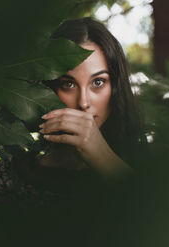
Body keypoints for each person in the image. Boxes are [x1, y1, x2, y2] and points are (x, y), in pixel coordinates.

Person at [40, 17, 147, 182]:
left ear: (116, 87)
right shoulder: (9, 176)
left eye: (98, 82)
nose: (83, 103)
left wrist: (105, 160)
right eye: (68, 84)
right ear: (49, 88)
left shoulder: (158, 163)